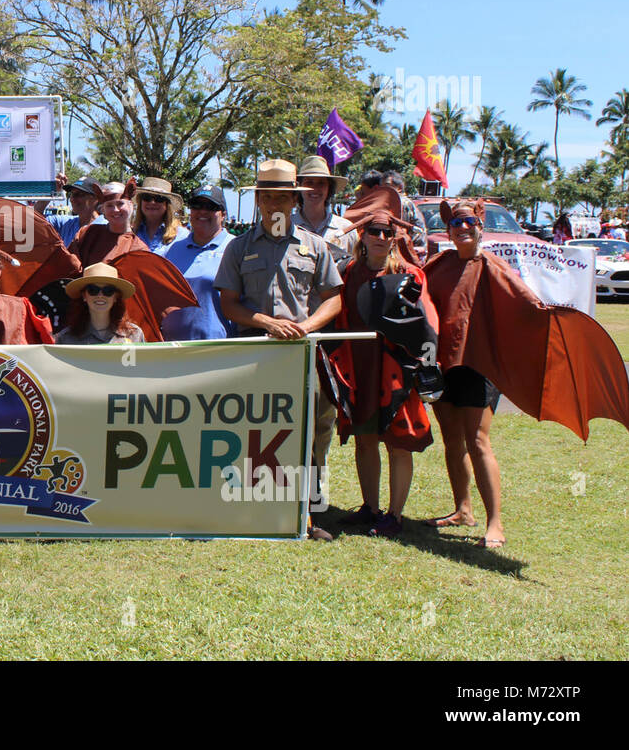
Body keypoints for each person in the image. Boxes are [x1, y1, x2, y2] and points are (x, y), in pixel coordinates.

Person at [215, 159, 343, 541]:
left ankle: (307, 514)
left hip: (300, 355)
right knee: (250, 432)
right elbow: (230, 304)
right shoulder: (239, 248)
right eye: (266, 197)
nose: (274, 205)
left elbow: (334, 299)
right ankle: (246, 511)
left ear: (294, 201)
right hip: (252, 352)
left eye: (282, 198)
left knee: (307, 432)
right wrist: (267, 323)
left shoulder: (315, 246)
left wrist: (304, 327)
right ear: (258, 201)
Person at [329, 187, 438, 538]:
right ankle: (370, 507)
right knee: (364, 438)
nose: (379, 237)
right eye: (373, 231)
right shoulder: (347, 273)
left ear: (394, 238)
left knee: (397, 440)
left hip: (396, 369)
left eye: (386, 232)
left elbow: (425, 323)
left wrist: (426, 366)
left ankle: (395, 514)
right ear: (362, 235)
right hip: (359, 366)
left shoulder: (410, 275)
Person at [421, 199, 507, 546]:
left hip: (478, 365)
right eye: (455, 223)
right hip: (443, 365)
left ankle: (495, 522)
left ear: (480, 224)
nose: (461, 228)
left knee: (478, 441)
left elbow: (519, 305)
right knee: (452, 440)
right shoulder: (438, 265)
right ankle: (463, 509)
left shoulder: (492, 267)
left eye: (468, 221)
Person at [160, 187, 236, 340]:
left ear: (223, 214)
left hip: (217, 347)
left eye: (210, 207)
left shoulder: (235, 248)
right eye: (196, 205)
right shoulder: (173, 249)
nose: (202, 211)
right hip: (172, 347)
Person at [55, 263, 144, 345]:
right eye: (93, 290)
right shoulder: (66, 339)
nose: (100, 295)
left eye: (108, 290)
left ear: (116, 297)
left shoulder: (134, 335)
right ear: (84, 296)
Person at [293, 156, 357, 267]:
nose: (315, 188)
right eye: (309, 182)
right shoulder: (287, 226)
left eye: (321, 183)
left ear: (329, 188)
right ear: (299, 187)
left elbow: (355, 269)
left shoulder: (346, 229)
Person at [68, 180, 149, 267]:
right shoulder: (86, 234)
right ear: (103, 210)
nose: (115, 210)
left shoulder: (138, 248)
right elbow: (69, 266)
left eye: (120, 204)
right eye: (109, 205)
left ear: (131, 206)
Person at [43, 174, 104, 249]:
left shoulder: (106, 226)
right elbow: (32, 221)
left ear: (95, 198)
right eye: (71, 194)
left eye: (78, 194)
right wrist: (50, 190)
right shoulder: (64, 224)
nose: (72, 199)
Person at [132, 177, 188, 256]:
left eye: (159, 199)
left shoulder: (182, 236)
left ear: (167, 204)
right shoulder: (131, 233)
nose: (152, 202)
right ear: (140, 201)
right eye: (147, 198)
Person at [382, 171, 427, 262]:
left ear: (399, 188)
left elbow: (417, 229)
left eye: (387, 185)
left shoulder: (403, 203)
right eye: (381, 186)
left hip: (403, 253)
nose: (383, 189)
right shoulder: (384, 203)